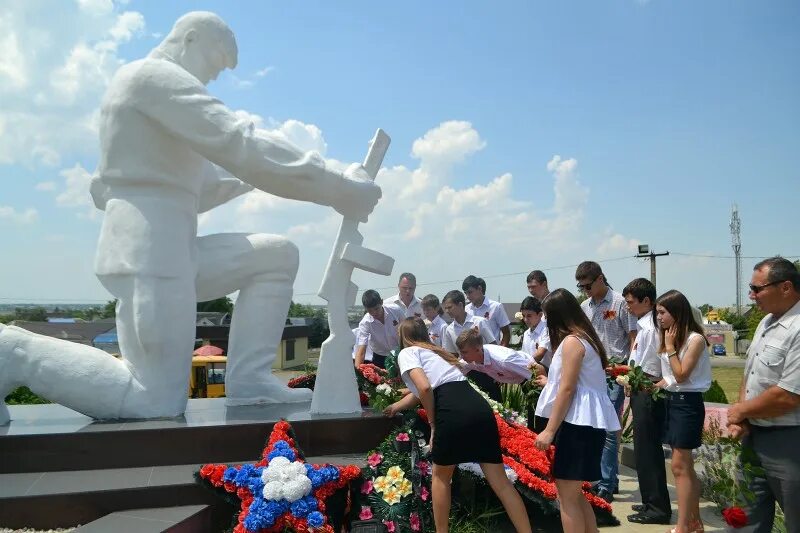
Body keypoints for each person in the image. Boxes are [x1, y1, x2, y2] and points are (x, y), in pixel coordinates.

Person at [0, 11, 382, 422]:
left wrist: (299, 177)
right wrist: (340, 187)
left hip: (174, 247)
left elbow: (214, 177)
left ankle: (249, 381)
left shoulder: (155, 102)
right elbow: (240, 143)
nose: (213, 78)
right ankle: (13, 353)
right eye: (215, 63)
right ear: (191, 39)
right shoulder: (151, 78)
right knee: (153, 399)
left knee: (277, 254)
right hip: (149, 253)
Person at [384, 318, 532, 533]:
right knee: (501, 483)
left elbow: (425, 389)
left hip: (452, 413)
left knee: (441, 477)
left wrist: (433, 424)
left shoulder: (408, 352)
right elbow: (425, 390)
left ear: (403, 337)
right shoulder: (436, 354)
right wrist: (396, 406)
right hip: (478, 409)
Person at [533, 289, 621, 533]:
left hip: (577, 425)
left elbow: (568, 388)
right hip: (586, 424)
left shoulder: (572, 341)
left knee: (567, 496)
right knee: (575, 493)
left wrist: (549, 430)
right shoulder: (585, 339)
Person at [727, 257, 800, 533]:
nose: (751, 295)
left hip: (790, 441)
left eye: (757, 289)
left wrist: (742, 411)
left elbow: (789, 395)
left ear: (785, 287)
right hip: (754, 436)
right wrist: (742, 417)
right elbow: (751, 375)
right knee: (746, 520)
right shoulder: (766, 323)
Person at [575, 261, 637, 502]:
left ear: (600, 278)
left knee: (609, 430)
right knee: (594, 428)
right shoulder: (585, 307)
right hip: (592, 374)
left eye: (588, 285)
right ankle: (606, 479)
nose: (585, 291)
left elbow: (633, 338)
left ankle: (606, 485)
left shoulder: (620, 303)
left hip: (615, 373)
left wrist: (629, 372)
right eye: (581, 287)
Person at [654, 290, 711, 533]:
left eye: (663, 313)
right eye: (657, 313)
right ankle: (695, 523)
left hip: (687, 404)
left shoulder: (694, 339)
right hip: (673, 400)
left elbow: (681, 375)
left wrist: (669, 347)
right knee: (684, 467)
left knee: (678, 465)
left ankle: (683, 526)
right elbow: (670, 379)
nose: (659, 318)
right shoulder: (672, 337)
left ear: (677, 312)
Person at [622, 278, 671, 525]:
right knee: (643, 450)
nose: (627, 306)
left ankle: (657, 508)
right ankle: (649, 500)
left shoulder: (651, 328)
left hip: (648, 389)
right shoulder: (645, 325)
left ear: (646, 301)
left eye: (631, 302)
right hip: (641, 388)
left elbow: (650, 369)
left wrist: (632, 378)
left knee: (649, 451)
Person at [441, 290, 500, 401]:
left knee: (495, 404)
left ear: (460, 305)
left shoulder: (479, 322)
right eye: (445, 308)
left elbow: (494, 346)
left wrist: (497, 371)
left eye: (450, 307)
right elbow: (451, 356)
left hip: (487, 371)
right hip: (467, 373)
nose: (447, 311)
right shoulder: (449, 330)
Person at [456, 328, 533, 384]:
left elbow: (535, 373)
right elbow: (456, 367)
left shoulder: (504, 360)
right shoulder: (468, 361)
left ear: (477, 349)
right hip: (514, 380)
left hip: (529, 375)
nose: (462, 356)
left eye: (464, 352)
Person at [354, 290, 404, 369]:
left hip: (400, 353)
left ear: (381, 302)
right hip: (379, 357)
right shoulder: (365, 323)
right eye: (370, 311)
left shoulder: (396, 310)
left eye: (376, 309)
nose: (374, 313)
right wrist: (357, 373)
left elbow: (407, 332)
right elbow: (361, 350)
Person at [463, 275, 511, 346]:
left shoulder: (496, 307)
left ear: (479, 288)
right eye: (465, 293)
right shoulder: (466, 309)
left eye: (470, 292)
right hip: (472, 352)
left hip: (492, 352)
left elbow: (506, 333)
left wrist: (501, 352)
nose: (467, 296)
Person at [520, 296, 552, 369]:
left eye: (529, 316)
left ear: (540, 315)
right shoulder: (526, 333)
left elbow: (540, 354)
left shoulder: (546, 330)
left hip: (546, 373)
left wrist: (523, 366)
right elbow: (524, 355)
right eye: (523, 315)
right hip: (531, 371)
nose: (525, 319)